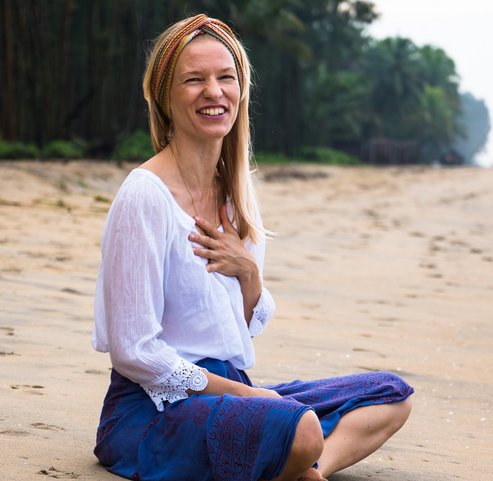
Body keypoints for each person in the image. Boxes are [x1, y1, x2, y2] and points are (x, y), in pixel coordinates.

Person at [92, 13, 414, 481]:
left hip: (234, 396)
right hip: (154, 413)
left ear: (241, 90)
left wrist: (249, 274)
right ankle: (296, 459)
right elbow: (134, 351)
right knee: (300, 428)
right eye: (194, 80)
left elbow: (234, 329)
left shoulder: (236, 194)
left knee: (390, 395)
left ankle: (306, 469)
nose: (214, 91)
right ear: (164, 97)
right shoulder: (144, 195)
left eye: (226, 77)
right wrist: (253, 398)